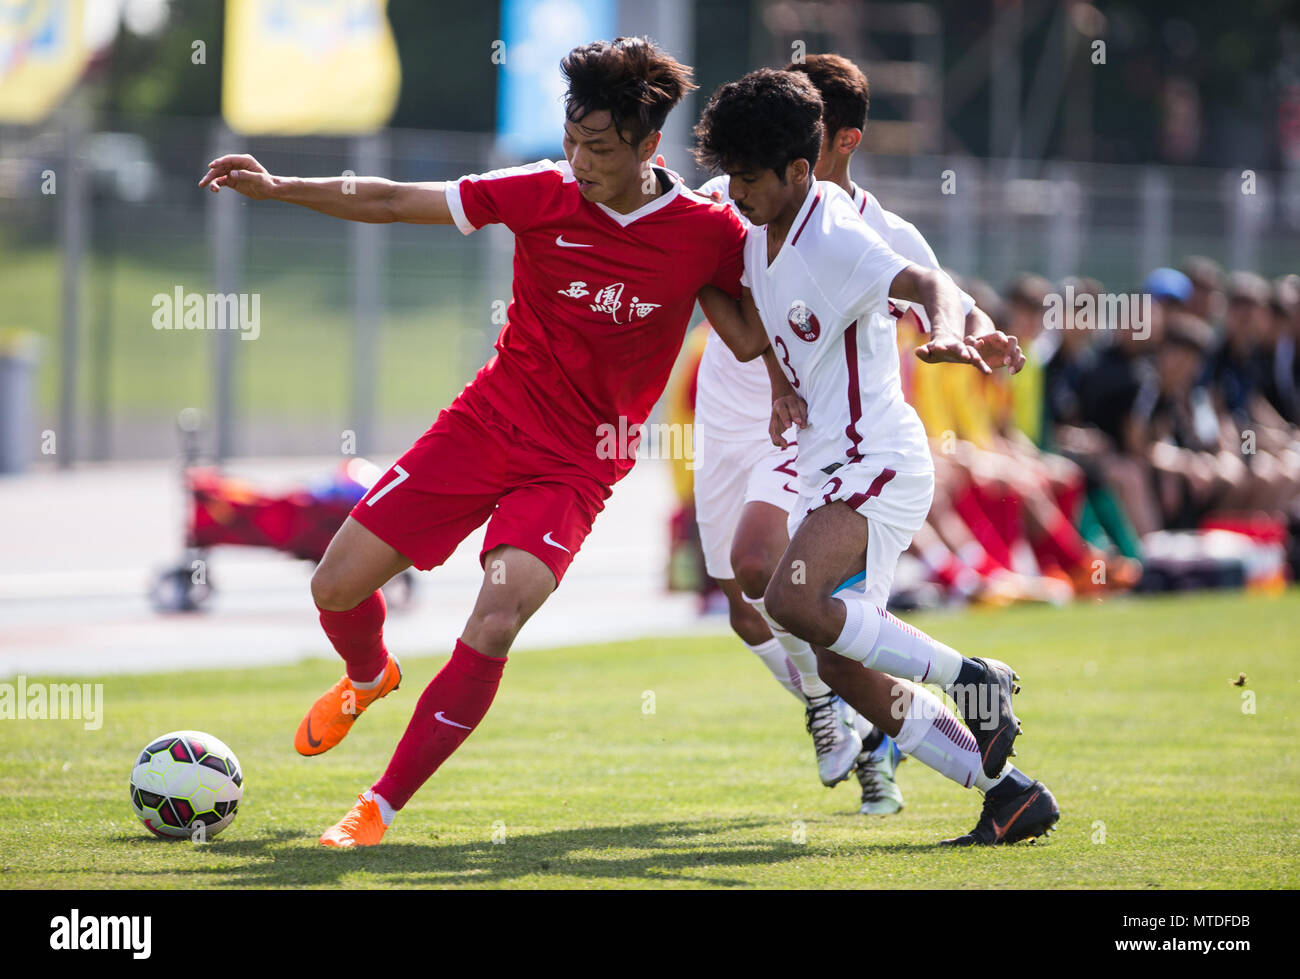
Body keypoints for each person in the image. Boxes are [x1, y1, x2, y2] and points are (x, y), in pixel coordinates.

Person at [199, 37, 768, 847]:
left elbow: (752, 334)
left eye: (599, 148)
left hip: (576, 467)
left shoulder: (707, 232)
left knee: (496, 616)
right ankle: (370, 675)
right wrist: (280, 185)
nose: (578, 160)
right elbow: (396, 200)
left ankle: (378, 807)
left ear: (649, 144)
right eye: (571, 140)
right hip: (485, 424)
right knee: (334, 587)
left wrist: (799, 369)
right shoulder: (542, 190)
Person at [694, 67, 1060, 845]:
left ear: (801, 168)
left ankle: (975, 680)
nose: (735, 192)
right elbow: (756, 337)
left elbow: (924, 278)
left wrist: (953, 330)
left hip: (877, 462)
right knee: (839, 665)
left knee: (791, 600)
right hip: (832, 464)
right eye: (728, 176)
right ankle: (1009, 794)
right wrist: (691, 279)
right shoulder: (764, 234)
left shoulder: (832, 231)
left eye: (748, 178)